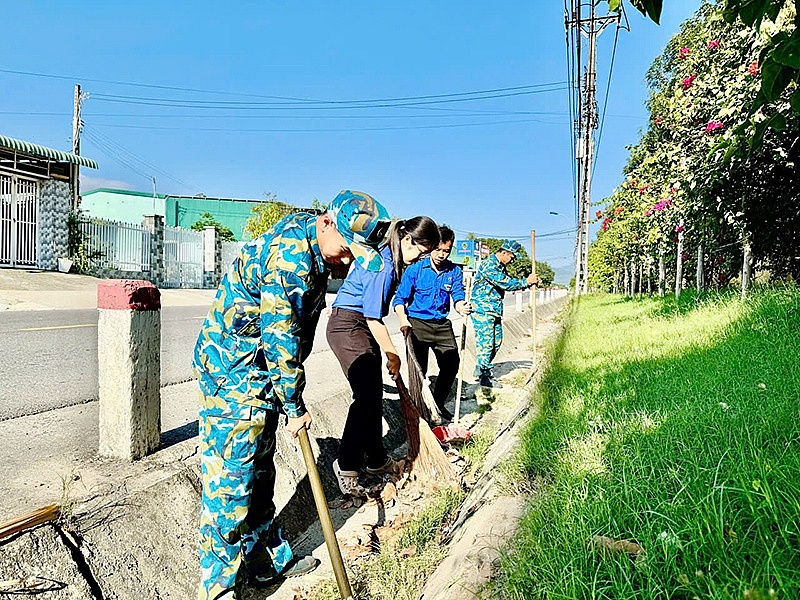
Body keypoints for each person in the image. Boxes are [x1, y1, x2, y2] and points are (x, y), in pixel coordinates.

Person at [192, 190, 391, 600]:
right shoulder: (289, 259)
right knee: (231, 486)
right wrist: (294, 404)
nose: (348, 262)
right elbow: (279, 339)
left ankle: (265, 564)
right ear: (327, 223)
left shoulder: (314, 246)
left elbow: (292, 338)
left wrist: (284, 396)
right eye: (347, 251)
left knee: (261, 475)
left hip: (261, 374)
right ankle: (219, 590)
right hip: (233, 375)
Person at [326, 215, 440, 496]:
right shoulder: (384, 266)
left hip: (358, 324)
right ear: (407, 239)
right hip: (348, 326)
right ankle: (346, 465)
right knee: (365, 396)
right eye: (421, 251)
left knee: (373, 394)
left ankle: (376, 460)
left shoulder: (390, 257)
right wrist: (392, 354)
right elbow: (373, 318)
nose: (420, 259)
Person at [392, 225, 471, 421]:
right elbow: (400, 298)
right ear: (431, 247)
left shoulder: (454, 271)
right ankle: (420, 412)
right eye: (438, 249)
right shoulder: (415, 269)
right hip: (417, 324)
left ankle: (438, 404)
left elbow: (457, 294)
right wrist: (403, 319)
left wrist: (461, 305)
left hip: (442, 325)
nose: (441, 255)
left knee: (451, 365)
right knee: (419, 371)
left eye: (446, 251)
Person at [470, 239, 539, 388]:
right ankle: (485, 376)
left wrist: (530, 283)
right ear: (504, 253)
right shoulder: (489, 265)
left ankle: (481, 366)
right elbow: (505, 283)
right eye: (512, 257)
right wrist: (526, 281)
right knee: (486, 343)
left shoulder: (501, 267)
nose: (512, 260)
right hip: (483, 309)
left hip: (494, 309)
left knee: (497, 341)